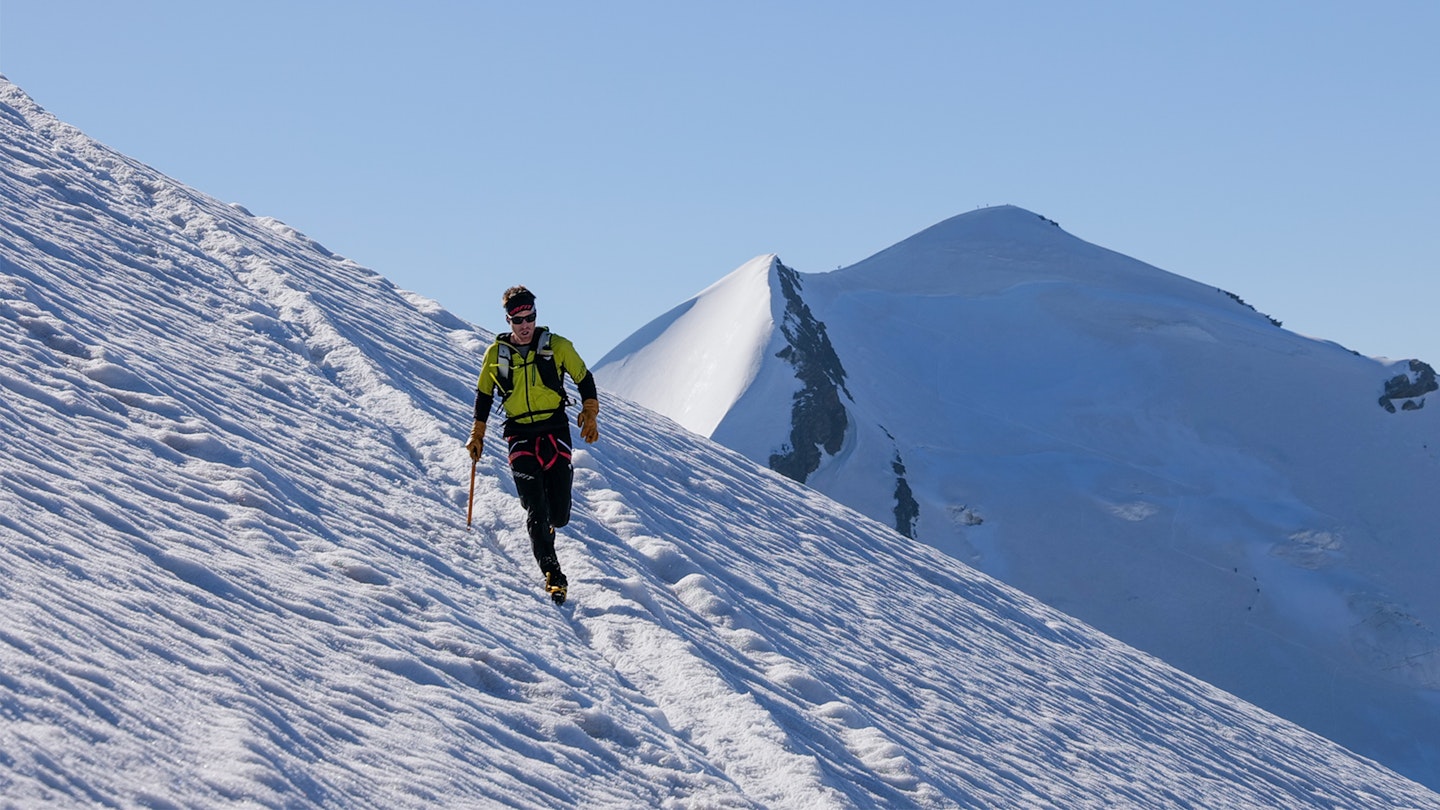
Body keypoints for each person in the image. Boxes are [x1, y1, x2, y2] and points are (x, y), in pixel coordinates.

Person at [466, 285, 599, 604]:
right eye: (517, 319)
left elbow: (584, 378)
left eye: (530, 317)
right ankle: (553, 573)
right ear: (508, 320)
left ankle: (548, 531)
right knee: (535, 509)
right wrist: (478, 432)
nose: (525, 325)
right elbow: (484, 393)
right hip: (519, 435)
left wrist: (590, 412)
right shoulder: (496, 355)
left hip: (555, 431)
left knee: (559, 515)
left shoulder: (557, 346)